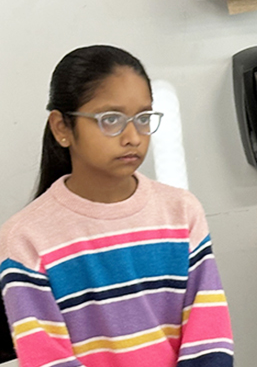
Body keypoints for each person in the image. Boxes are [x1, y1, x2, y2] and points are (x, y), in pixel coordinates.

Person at [0, 46, 234, 367]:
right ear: (62, 128)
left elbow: (209, 335)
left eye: (143, 118)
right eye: (110, 119)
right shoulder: (25, 238)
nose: (133, 137)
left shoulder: (182, 212)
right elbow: (47, 359)